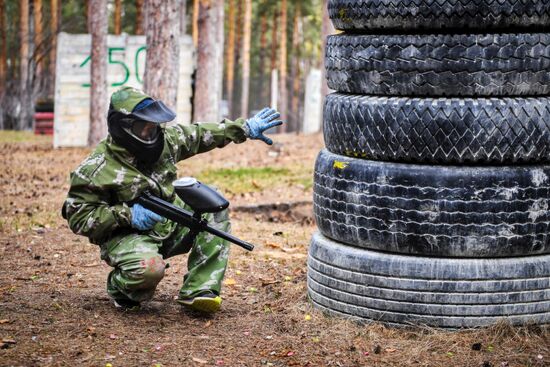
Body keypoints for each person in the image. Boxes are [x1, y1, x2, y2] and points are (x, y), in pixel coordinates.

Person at [62, 86, 283, 313]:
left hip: (166, 221)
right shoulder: (96, 169)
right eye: (144, 128)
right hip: (126, 236)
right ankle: (122, 289)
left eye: (154, 127)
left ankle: (200, 290)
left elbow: (199, 135)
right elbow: (78, 217)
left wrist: (244, 128)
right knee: (148, 270)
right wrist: (128, 215)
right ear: (123, 127)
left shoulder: (165, 140)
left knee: (212, 203)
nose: (151, 133)